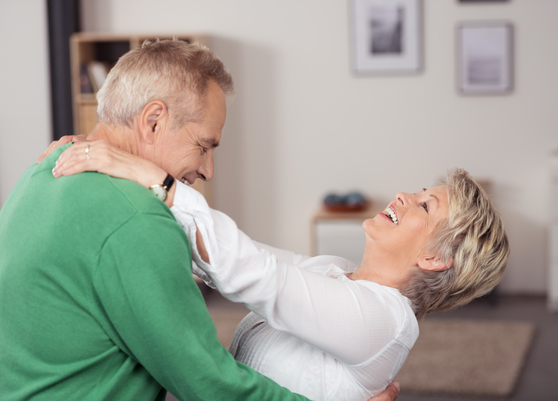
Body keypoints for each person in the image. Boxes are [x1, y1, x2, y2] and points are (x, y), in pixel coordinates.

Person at [0, 39, 401, 401]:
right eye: (203, 146)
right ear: (153, 121)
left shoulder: (46, 169)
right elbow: (209, 383)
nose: (208, 170)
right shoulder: (137, 219)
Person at [48, 136, 510, 400]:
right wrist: (112, 174)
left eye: (425, 206)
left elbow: (253, 274)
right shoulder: (336, 270)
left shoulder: (386, 323)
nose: (406, 196)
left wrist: (151, 176)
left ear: (434, 258)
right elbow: (234, 257)